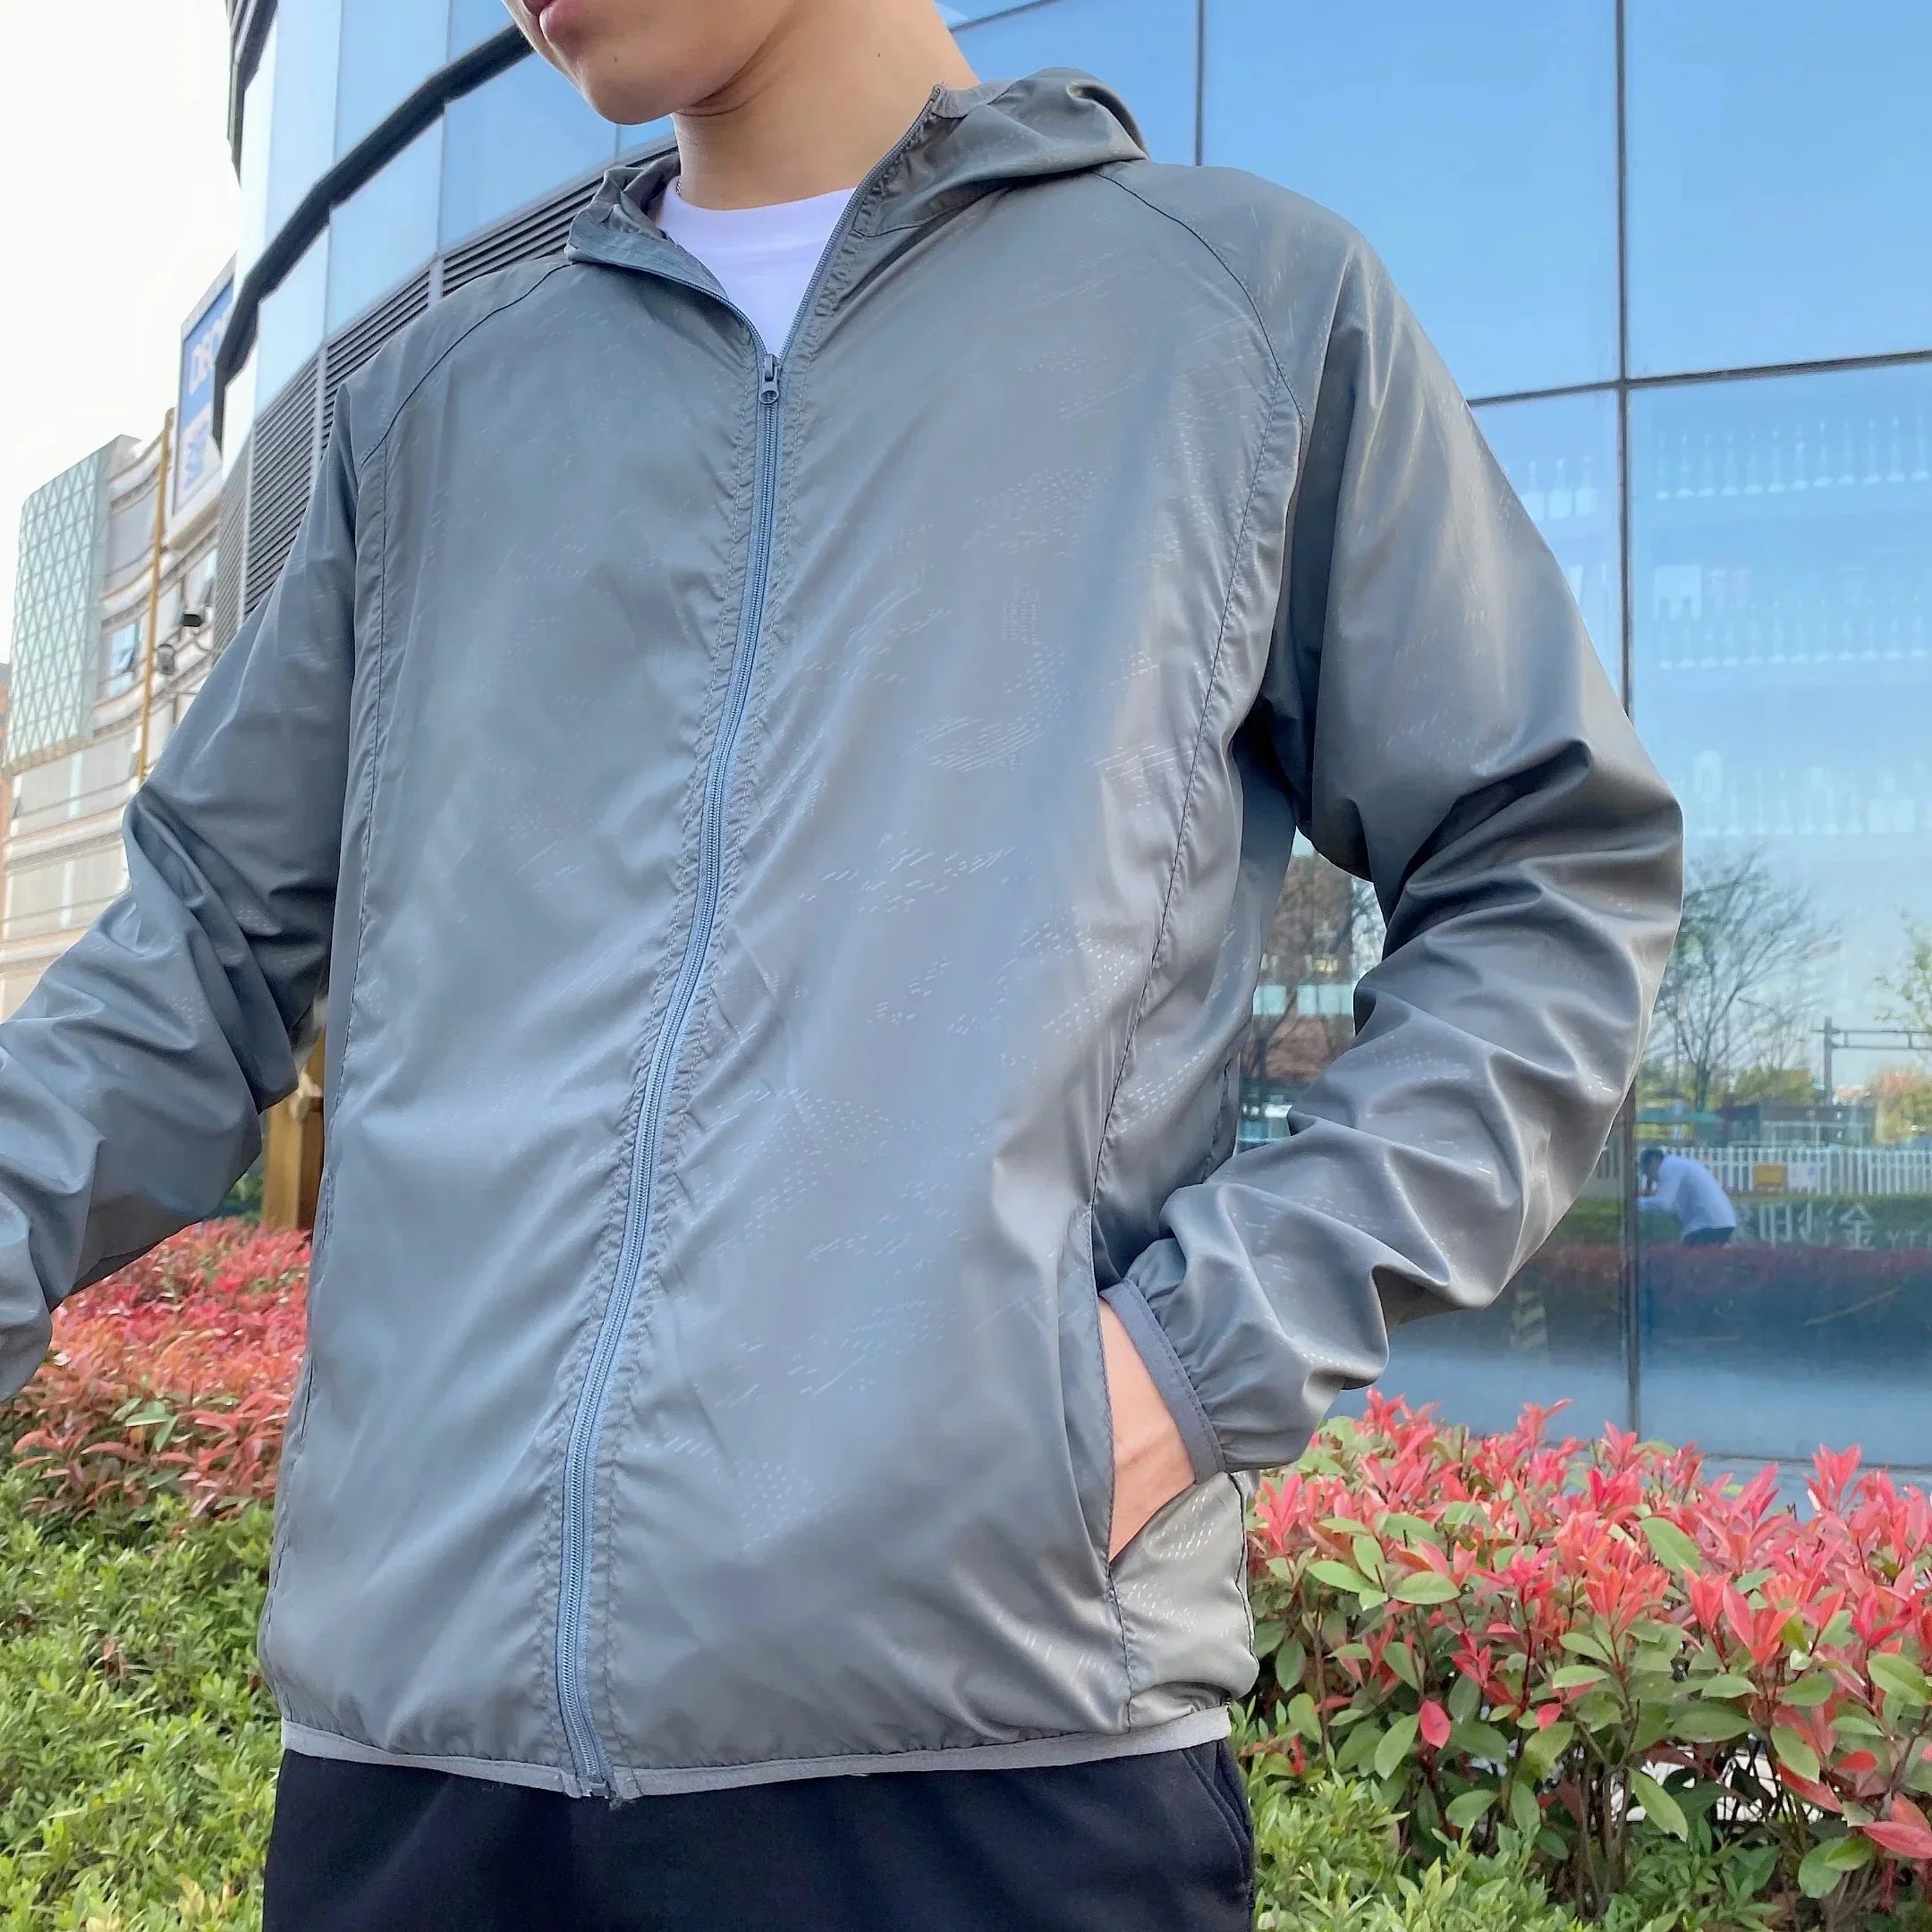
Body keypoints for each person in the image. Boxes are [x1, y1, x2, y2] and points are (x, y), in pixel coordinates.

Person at [0, 0, 1682, 1924]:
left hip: (996, 1776)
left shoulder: (1238, 317)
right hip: (416, 1781)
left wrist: (1181, 1369)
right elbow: (197, 950)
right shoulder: (437, 412)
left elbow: (1550, 880)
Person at [1639, 1145, 1739, 1248]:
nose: (1650, 1178)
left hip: (1706, 1224)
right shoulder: (1679, 1164)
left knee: (1687, 1255)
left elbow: (1664, 1204)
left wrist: (1635, 1203)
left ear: (1653, 1162)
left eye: (1647, 1172)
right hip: (1724, 1222)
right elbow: (1673, 1207)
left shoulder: (1668, 1167)